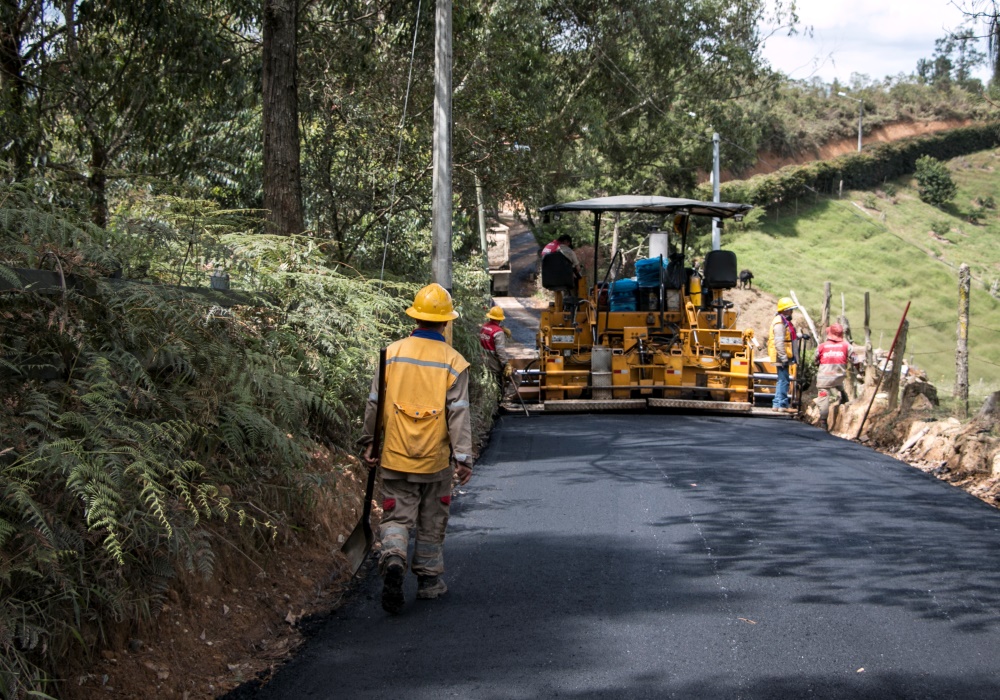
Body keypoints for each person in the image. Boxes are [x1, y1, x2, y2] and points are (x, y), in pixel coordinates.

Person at [361, 283, 474, 614]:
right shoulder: (454, 362)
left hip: (395, 457)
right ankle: (428, 582)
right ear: (446, 321)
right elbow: (458, 413)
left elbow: (375, 403)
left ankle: (394, 556)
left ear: (415, 316)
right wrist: (463, 458)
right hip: (435, 461)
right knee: (432, 519)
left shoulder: (391, 354)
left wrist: (370, 441)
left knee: (397, 516)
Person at [814, 323, 859, 431]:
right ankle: (843, 395)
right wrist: (858, 369)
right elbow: (855, 360)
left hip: (824, 377)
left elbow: (816, 360)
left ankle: (823, 421)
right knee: (838, 382)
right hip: (839, 376)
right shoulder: (847, 346)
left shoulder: (822, 346)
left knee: (824, 395)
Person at [767, 297, 799, 412]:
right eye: (790, 309)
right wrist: (783, 357)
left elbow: (787, 336)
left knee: (782, 379)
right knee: (784, 380)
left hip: (782, 355)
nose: (792, 312)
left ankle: (777, 404)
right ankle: (782, 404)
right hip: (781, 356)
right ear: (785, 310)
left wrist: (800, 336)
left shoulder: (783, 321)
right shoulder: (780, 323)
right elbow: (779, 341)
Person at [480, 306, 513, 398]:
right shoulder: (498, 332)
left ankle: (490, 400)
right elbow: (500, 351)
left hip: (483, 360)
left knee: (488, 383)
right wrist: (506, 364)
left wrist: (501, 328)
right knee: (511, 378)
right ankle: (503, 397)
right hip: (493, 362)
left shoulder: (484, 327)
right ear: (500, 319)